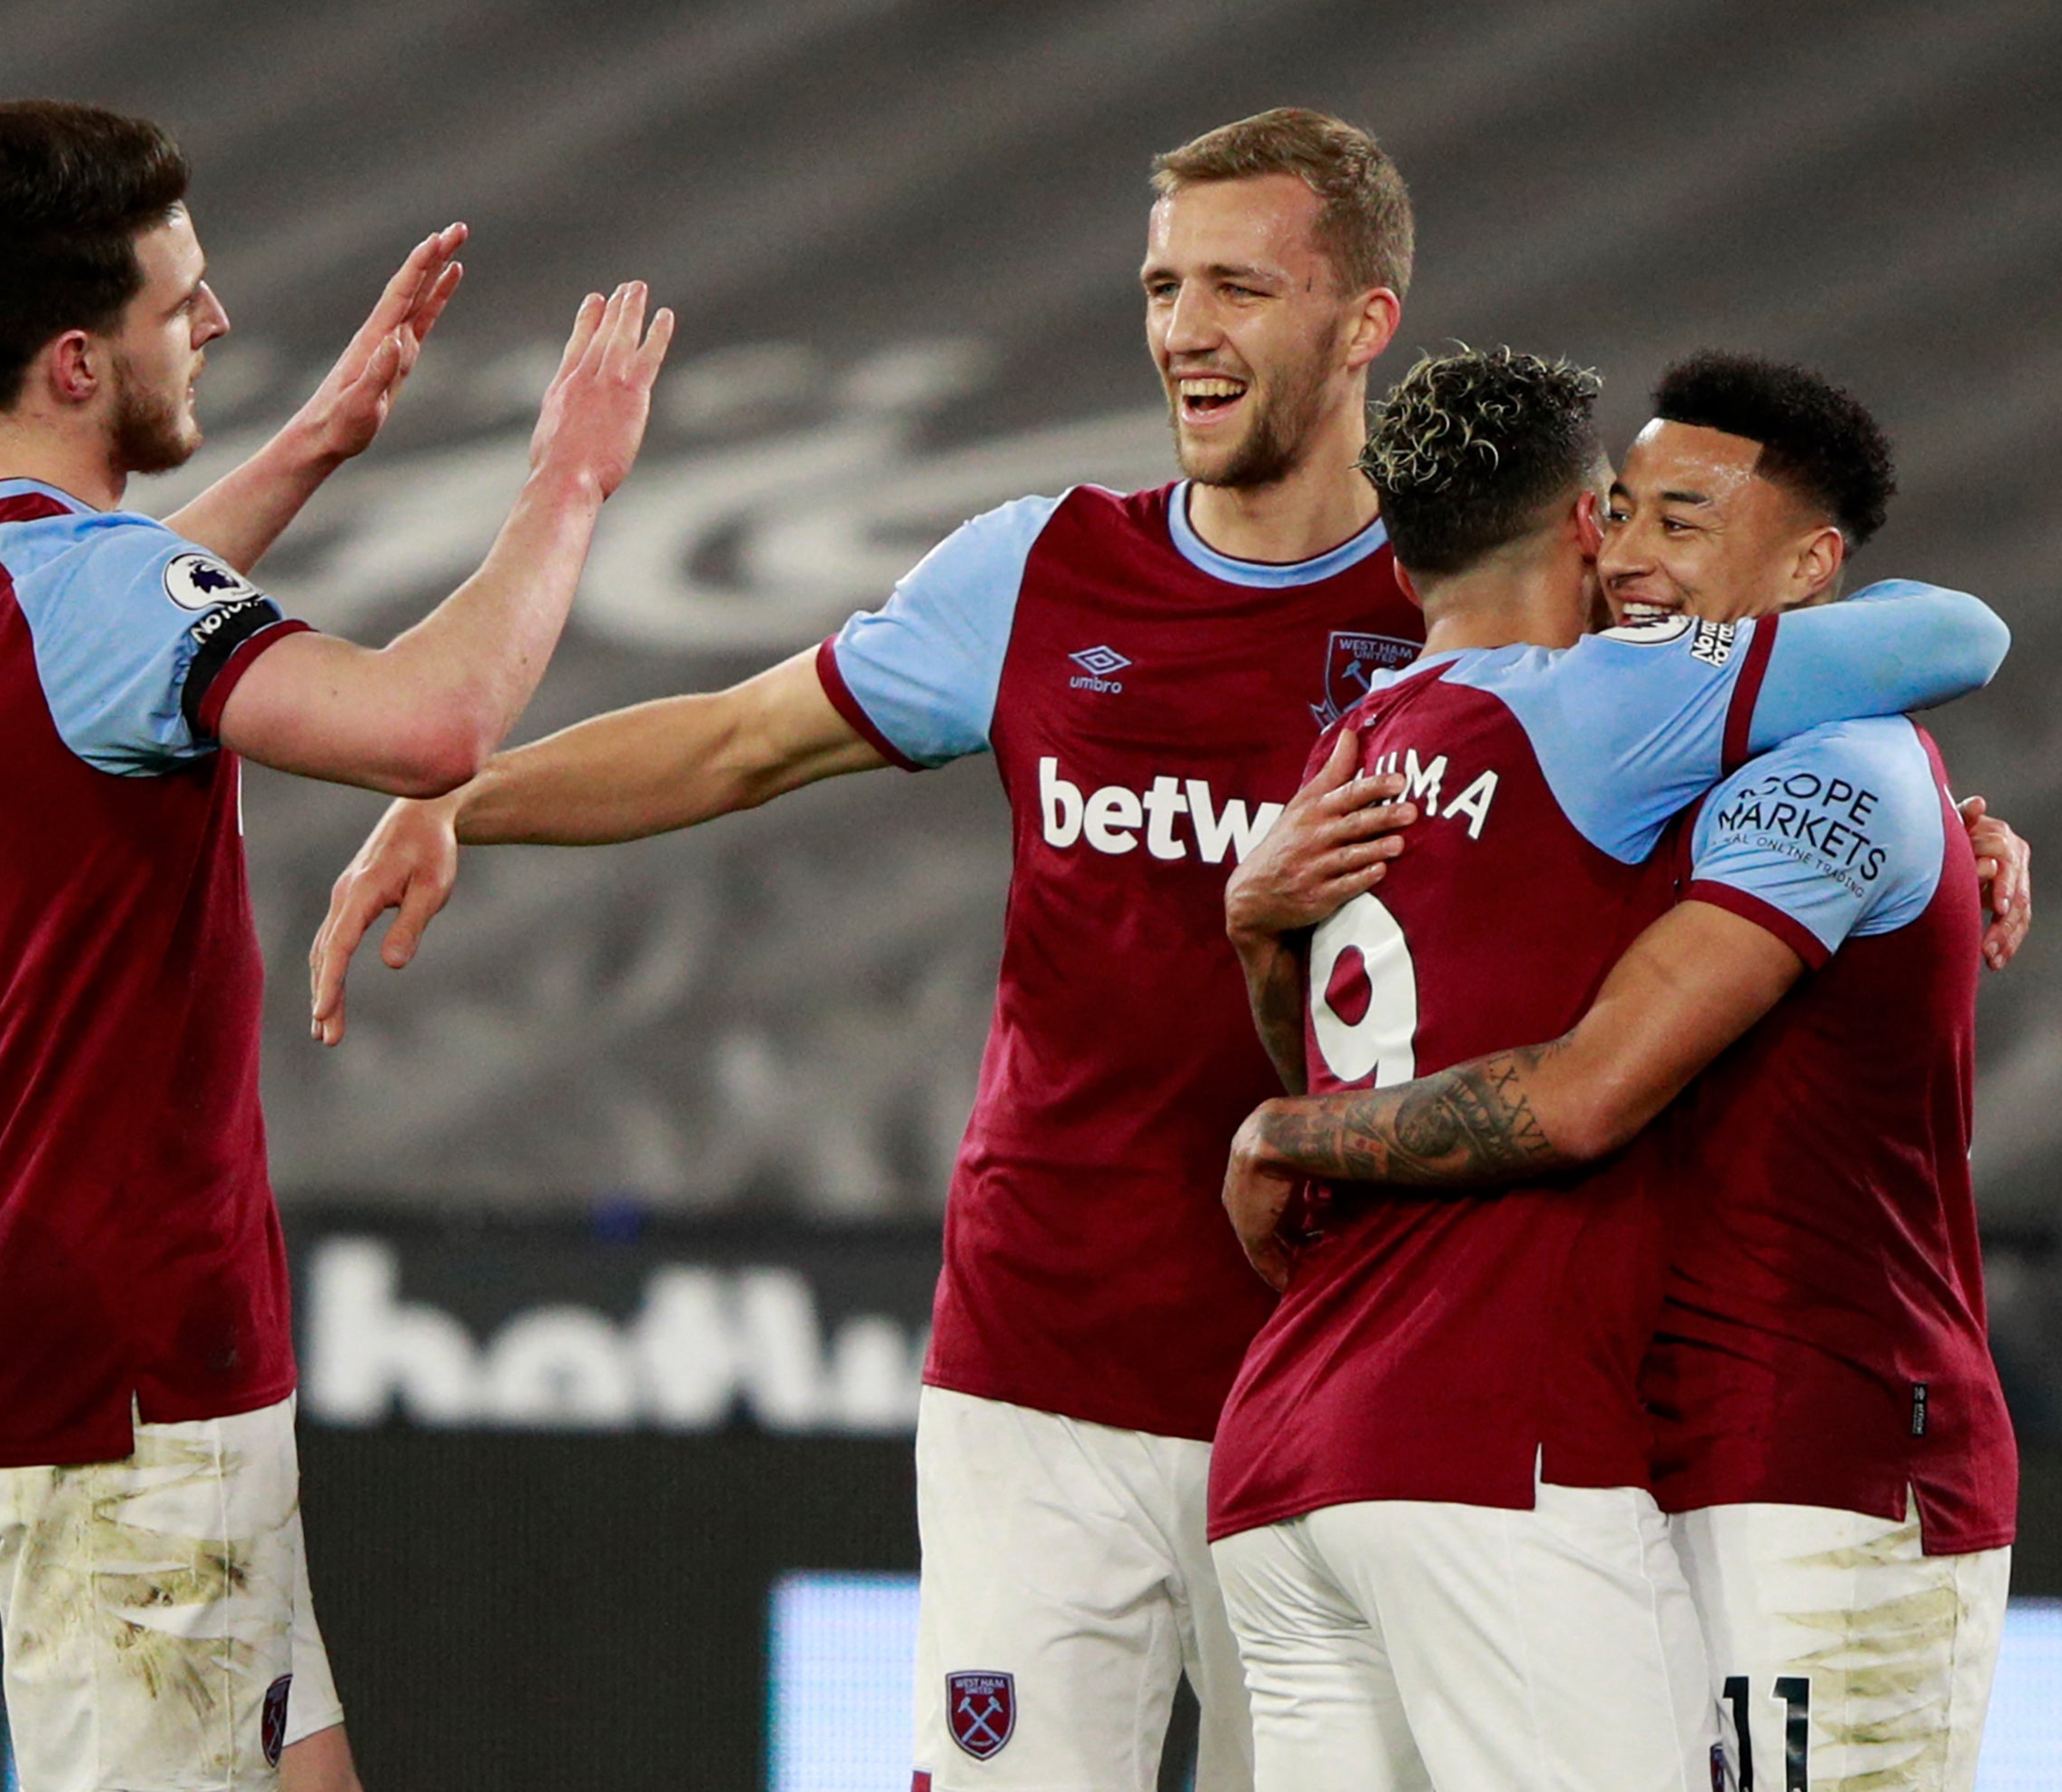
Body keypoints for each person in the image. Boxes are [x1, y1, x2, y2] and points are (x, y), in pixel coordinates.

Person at [310, 106, 1423, 1792]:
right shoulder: (1040, 570)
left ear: (1363, 324)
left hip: (1341, 1375)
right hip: (1038, 1372)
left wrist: (1961, 829)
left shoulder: (1475, 608)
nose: (1183, 330)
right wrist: (466, 798)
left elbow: (1722, 718)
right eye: (1160, 285)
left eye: (1237, 288)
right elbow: (740, 740)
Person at [0, 100, 669, 1792]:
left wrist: (321, 439)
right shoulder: (97, 599)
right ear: (76, 362)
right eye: (175, 301)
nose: (210, 320)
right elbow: (429, 723)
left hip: (5, 1298)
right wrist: (569, 480)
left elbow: (108, 632)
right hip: (117, 1359)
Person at [1198, 346, 2008, 1791]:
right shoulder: (1625, 737)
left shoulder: (1385, 746)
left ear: (1812, 565)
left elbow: (1573, 1089)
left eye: (1676, 521)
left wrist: (1281, 1098)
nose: (1628, 552)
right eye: (1617, 510)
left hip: (1810, 1459)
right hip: (1577, 1439)